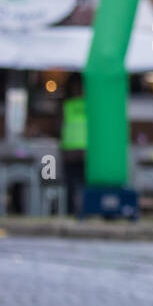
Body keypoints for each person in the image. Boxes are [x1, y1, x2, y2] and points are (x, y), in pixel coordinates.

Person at [60, 74, 87, 216]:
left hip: (82, 152)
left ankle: (80, 211)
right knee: (71, 186)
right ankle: (72, 211)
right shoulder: (69, 105)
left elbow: (60, 126)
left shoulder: (68, 105)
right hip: (72, 152)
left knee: (81, 185)